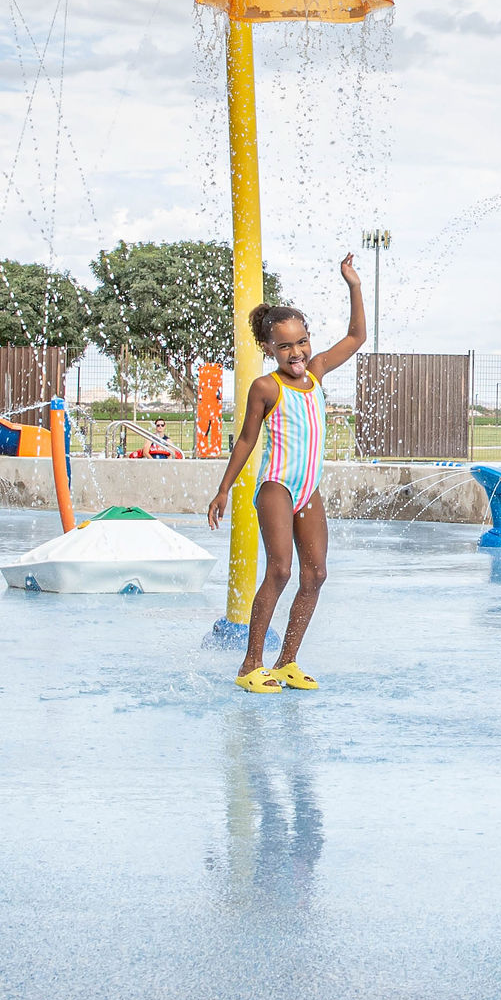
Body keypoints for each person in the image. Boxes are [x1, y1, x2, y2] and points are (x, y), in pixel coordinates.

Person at [207, 256, 368, 691]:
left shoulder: (315, 374)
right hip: (276, 487)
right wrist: (224, 489)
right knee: (279, 570)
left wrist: (353, 284)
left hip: (307, 490)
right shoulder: (266, 387)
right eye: (284, 347)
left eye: (301, 342)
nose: (296, 353)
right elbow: (245, 440)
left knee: (315, 575)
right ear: (269, 350)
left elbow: (357, 337)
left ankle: (286, 662)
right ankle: (249, 665)